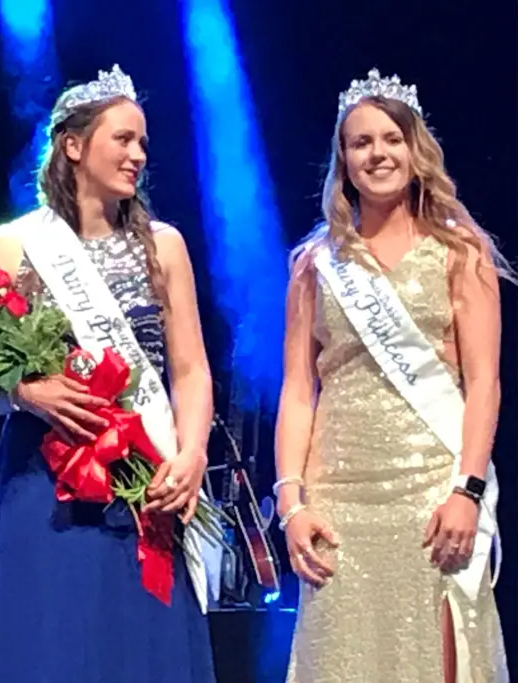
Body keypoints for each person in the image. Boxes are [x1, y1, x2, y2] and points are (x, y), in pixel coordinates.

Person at [0, 65, 217, 683]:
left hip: (145, 477)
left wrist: (191, 457)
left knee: (141, 646)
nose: (137, 156)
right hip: (44, 479)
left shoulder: (164, 246)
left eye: (142, 144)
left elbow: (189, 369)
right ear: (74, 146)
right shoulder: (14, 244)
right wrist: (29, 391)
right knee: (52, 643)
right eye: (123, 140)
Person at [275, 69, 512, 682]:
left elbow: (484, 382)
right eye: (361, 143)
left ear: (415, 148)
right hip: (340, 501)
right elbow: (299, 391)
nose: (377, 153)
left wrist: (468, 490)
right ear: (343, 160)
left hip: (434, 495)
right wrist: (290, 503)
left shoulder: (460, 251)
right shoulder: (314, 264)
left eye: (390, 138)